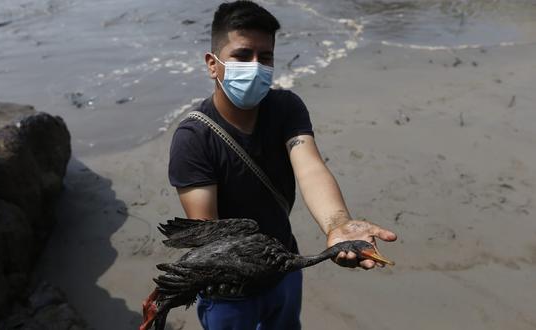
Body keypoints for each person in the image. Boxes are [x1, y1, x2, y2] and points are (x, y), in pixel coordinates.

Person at [168, 1, 397, 329]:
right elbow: (207, 233)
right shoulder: (194, 138)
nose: (256, 66)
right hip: (228, 291)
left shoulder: (285, 108)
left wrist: (338, 225)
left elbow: (310, 168)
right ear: (212, 64)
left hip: (285, 267)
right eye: (243, 55)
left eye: (266, 57)